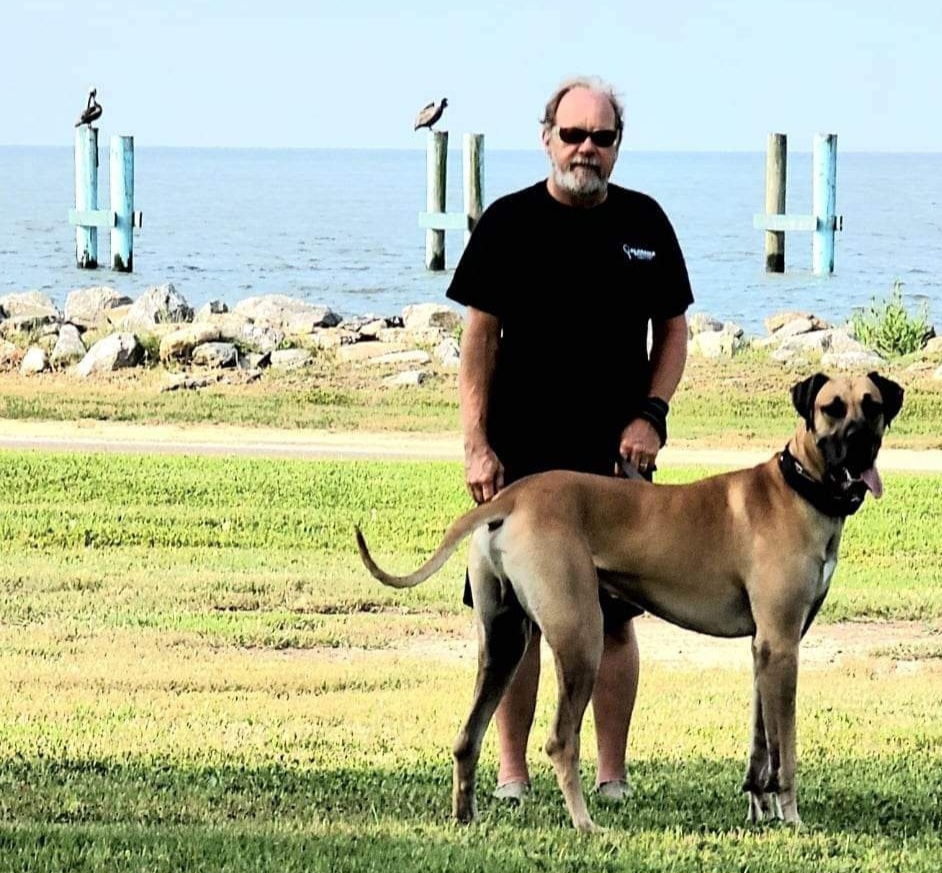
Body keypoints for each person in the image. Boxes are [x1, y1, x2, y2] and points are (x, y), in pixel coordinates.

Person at [445, 76, 693, 803]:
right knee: (510, 623)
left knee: (613, 620)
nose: (587, 148)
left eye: (601, 137)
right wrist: (476, 442)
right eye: (574, 134)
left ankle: (611, 775)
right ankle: (513, 774)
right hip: (519, 458)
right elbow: (478, 340)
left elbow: (674, 330)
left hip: (615, 458)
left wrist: (652, 415)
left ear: (618, 145)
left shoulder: (645, 222)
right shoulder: (508, 222)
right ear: (547, 137)